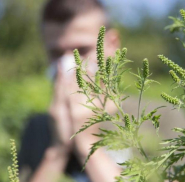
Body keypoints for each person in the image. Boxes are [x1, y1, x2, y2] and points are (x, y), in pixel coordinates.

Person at [18, 0, 122, 181]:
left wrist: (88, 144)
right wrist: (58, 150)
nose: (69, 65)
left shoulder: (160, 118)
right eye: (56, 53)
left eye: (82, 50)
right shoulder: (37, 128)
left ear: (112, 44)